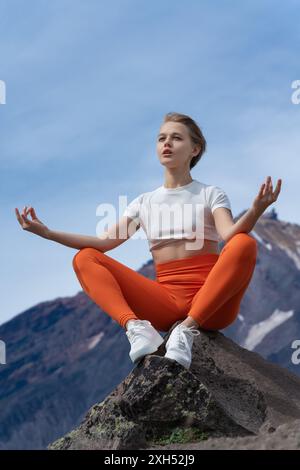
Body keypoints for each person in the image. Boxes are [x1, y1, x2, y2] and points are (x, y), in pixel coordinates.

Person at [15, 112, 282, 370]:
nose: (166, 143)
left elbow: (230, 234)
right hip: (166, 303)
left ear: (195, 149)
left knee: (244, 243)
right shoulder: (144, 202)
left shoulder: (210, 193)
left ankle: (187, 329)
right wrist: (48, 233)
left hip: (214, 305)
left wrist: (256, 209)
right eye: (161, 138)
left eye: (176, 138)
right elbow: (103, 242)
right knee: (85, 257)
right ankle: (136, 329)